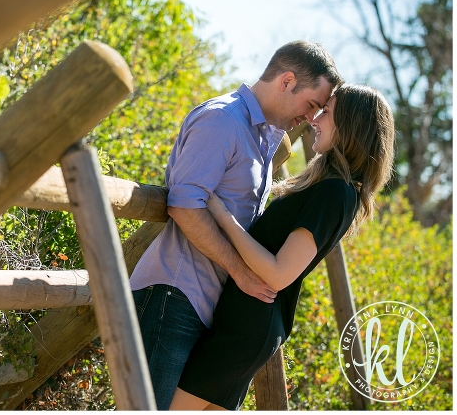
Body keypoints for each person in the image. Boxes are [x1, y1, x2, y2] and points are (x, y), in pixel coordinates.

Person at [130, 42, 341, 409]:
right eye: (311, 104)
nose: (311, 118)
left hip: (206, 306)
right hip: (173, 296)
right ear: (287, 81)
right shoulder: (222, 120)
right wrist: (240, 272)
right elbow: (184, 206)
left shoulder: (265, 137)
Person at [171, 83, 396, 410]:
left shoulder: (336, 193)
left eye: (327, 112)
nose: (315, 119)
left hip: (245, 330)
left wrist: (221, 215)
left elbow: (279, 274)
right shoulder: (330, 187)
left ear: (351, 126)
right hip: (246, 324)